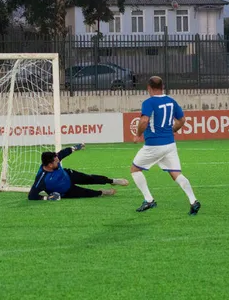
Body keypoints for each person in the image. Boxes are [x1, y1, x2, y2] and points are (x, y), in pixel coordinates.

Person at [131, 76, 201, 215]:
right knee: (175, 173)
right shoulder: (171, 101)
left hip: (154, 145)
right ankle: (193, 201)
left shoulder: (148, 102)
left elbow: (144, 121)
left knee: (135, 169)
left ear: (149, 88)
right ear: (162, 87)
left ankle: (149, 200)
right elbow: (182, 120)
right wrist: (173, 130)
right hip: (169, 145)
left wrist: (138, 135)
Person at [28, 143, 128, 201]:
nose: (58, 160)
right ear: (49, 165)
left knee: (90, 178)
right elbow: (31, 195)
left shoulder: (54, 160)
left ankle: (112, 181)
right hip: (66, 191)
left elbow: (63, 153)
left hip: (69, 175)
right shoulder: (41, 179)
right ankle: (102, 192)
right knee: (87, 193)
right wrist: (47, 198)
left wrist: (75, 147)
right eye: (55, 160)